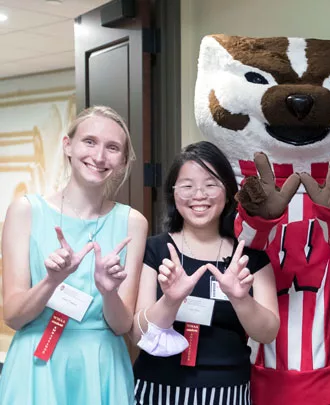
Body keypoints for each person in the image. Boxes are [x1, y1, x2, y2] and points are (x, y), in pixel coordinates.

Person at [0, 106, 147, 405]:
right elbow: (13, 316)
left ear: (122, 160)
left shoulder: (132, 222)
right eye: (89, 141)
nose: (99, 156)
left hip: (101, 364)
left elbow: (122, 326)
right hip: (36, 363)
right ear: (68, 146)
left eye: (113, 148)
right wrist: (51, 282)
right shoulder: (25, 211)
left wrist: (108, 292)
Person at [132, 141, 279, 405]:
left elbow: (268, 333)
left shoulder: (250, 257)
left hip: (227, 391)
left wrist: (241, 299)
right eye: (187, 186)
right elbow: (138, 334)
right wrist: (170, 300)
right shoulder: (154, 250)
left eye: (211, 184)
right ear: (173, 193)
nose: (199, 195)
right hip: (157, 389)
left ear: (228, 191)